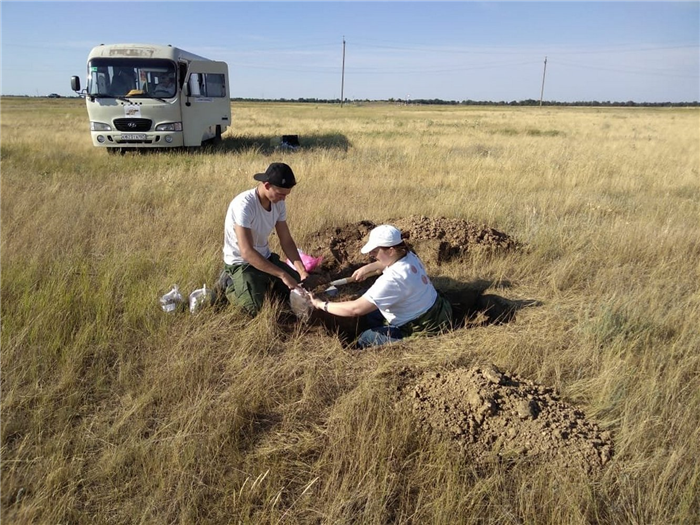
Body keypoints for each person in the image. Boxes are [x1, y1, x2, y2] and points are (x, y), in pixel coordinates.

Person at [309, 225, 452, 348]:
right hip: (439, 311)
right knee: (371, 311)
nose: (371, 255)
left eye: (375, 251)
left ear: (390, 250)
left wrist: (321, 304)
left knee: (365, 337)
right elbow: (386, 264)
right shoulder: (409, 255)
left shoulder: (393, 279)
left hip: (424, 328)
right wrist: (369, 268)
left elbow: (355, 309)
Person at [222, 163, 308, 316]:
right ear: (267, 185)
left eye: (286, 195)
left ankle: (264, 282)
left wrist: (301, 271)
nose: (283, 199)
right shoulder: (244, 205)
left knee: (299, 288)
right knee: (253, 309)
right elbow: (247, 252)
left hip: (265, 257)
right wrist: (282, 275)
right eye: (281, 194)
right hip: (242, 263)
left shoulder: (278, 203)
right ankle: (228, 283)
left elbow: (286, 240)